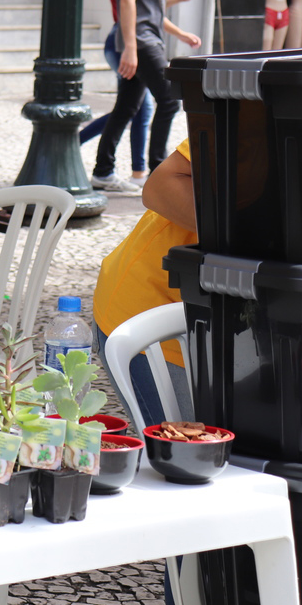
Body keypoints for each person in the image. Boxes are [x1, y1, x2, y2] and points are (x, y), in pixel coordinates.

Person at [90, 0, 200, 194]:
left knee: (127, 107)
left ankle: (103, 171)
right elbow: (127, 2)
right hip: (141, 40)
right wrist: (130, 47)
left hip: (147, 37)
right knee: (170, 100)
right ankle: (158, 173)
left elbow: (150, 6)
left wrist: (180, 23)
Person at [95, 140, 197, 429]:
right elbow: (160, 186)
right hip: (153, 317)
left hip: (227, 330)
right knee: (187, 450)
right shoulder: (251, 123)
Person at [80, 0, 152, 189]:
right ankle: (134, 172)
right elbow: (138, 9)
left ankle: (136, 172)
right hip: (124, 42)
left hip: (122, 41)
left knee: (135, 108)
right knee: (132, 109)